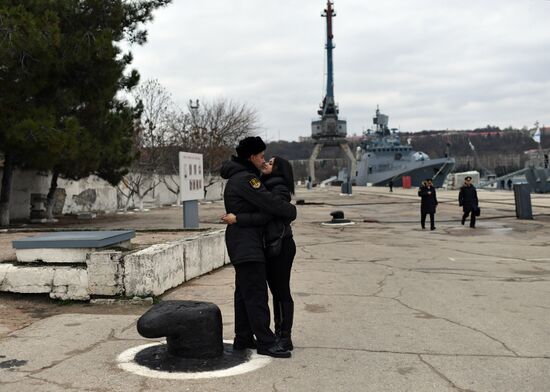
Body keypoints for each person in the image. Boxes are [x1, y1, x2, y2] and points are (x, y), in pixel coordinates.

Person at [219, 136, 296, 358]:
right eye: (261, 156)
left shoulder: (240, 176)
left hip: (242, 242)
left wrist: (239, 217)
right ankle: (266, 341)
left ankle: (243, 338)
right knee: (256, 294)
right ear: (252, 156)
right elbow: (271, 205)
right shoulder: (246, 179)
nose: (263, 160)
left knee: (244, 292)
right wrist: (292, 211)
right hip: (247, 243)